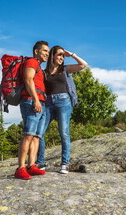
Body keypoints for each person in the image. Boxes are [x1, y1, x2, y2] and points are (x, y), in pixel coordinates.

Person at [37, 46, 88, 174]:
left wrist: (71, 54)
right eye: (59, 55)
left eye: (62, 56)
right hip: (48, 103)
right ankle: (41, 162)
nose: (61, 58)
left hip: (64, 101)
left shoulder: (65, 69)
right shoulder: (44, 72)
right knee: (39, 132)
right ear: (52, 56)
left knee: (64, 133)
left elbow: (83, 65)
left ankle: (65, 163)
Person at [14, 40, 50, 180]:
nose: (47, 54)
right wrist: (35, 99)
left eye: (48, 51)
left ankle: (32, 165)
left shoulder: (39, 66)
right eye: (45, 51)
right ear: (36, 51)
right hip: (31, 101)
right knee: (28, 134)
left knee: (36, 137)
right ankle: (21, 168)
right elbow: (28, 80)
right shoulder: (32, 61)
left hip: (41, 102)